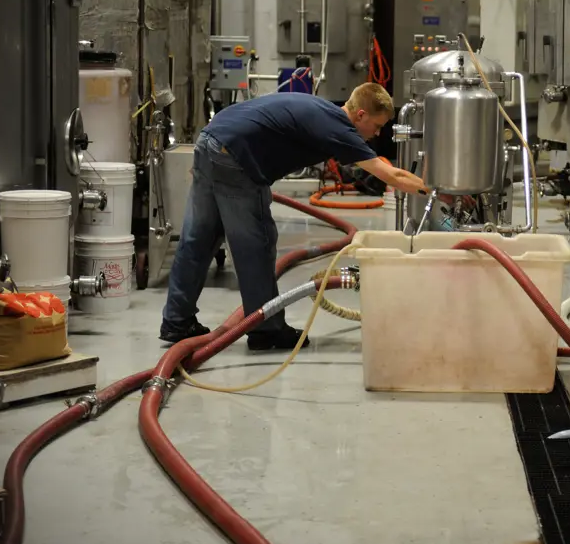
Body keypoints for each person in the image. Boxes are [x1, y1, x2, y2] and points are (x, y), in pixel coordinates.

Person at [159, 83, 427, 350]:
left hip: (211, 140)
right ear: (361, 116)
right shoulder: (339, 128)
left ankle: (177, 321)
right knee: (256, 245)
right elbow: (393, 175)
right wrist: (435, 190)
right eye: (377, 126)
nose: (376, 133)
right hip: (236, 157)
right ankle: (267, 330)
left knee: (199, 238)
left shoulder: (325, 110)